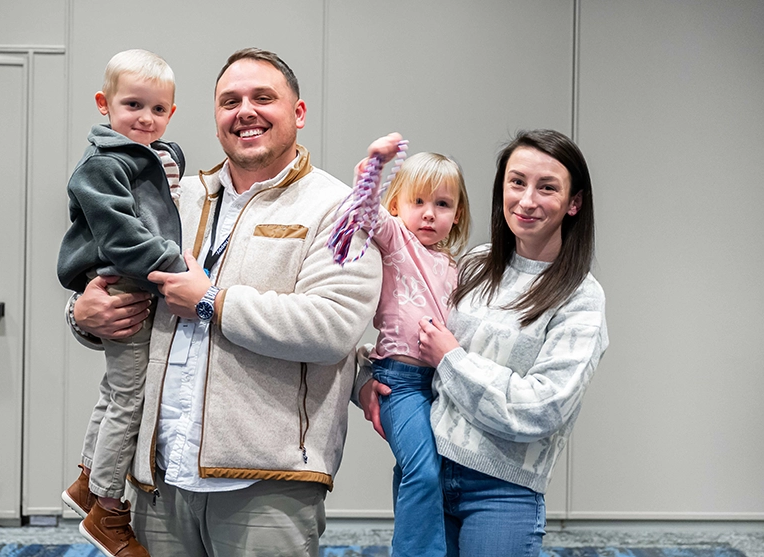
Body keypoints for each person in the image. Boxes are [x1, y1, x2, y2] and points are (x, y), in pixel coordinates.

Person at [65, 47, 382, 557]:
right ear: (215, 120)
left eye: (263, 97)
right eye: (229, 101)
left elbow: (332, 328)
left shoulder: (341, 208)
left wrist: (212, 300)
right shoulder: (175, 196)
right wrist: (83, 315)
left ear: (298, 113)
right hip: (157, 479)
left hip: (267, 485)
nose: (245, 111)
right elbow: (111, 275)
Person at [359, 129, 609, 556]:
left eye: (546, 187)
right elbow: (404, 329)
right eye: (517, 182)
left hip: (503, 491)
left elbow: (541, 407)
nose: (527, 200)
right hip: (429, 473)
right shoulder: (471, 264)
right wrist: (363, 380)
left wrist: (452, 359)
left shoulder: (581, 297)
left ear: (574, 203)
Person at [57, 48, 186, 557]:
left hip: (139, 282)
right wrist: (176, 270)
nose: (145, 118)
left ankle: (88, 479)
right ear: (103, 104)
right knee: (131, 400)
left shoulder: (160, 155)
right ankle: (108, 509)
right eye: (133, 105)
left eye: (158, 109)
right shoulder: (102, 165)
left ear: (171, 113)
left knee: (116, 391)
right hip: (126, 284)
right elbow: (122, 237)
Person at [345, 134, 471, 556]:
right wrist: (374, 169)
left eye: (442, 204)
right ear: (396, 206)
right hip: (399, 382)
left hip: (443, 384)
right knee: (423, 472)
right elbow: (363, 210)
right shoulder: (398, 239)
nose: (429, 214)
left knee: (426, 473)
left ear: (457, 214)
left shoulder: (457, 266)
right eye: (418, 202)